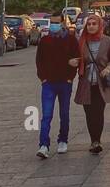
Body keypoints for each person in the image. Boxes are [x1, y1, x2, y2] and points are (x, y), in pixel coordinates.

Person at [34, 15, 80, 159]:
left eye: (56, 23)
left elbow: (77, 58)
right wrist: (43, 78)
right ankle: (43, 145)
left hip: (64, 82)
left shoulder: (71, 40)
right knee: (46, 115)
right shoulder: (45, 40)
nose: (54, 25)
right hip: (49, 83)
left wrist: (70, 78)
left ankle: (63, 140)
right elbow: (39, 60)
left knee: (64, 113)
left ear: (62, 23)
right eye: (52, 23)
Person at [75, 13, 110, 153]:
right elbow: (76, 57)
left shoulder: (107, 41)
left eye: (94, 24)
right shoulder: (82, 41)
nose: (91, 26)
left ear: (99, 25)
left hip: (101, 83)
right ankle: (92, 139)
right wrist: (74, 62)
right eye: (89, 24)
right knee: (89, 113)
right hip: (86, 83)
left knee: (98, 113)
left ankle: (97, 141)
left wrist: (108, 68)